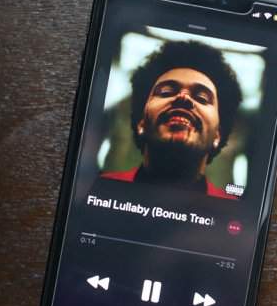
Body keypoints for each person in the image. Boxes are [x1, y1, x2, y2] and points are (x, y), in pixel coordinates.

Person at [101, 40, 242, 198]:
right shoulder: (100, 189)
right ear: (141, 123)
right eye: (166, 92)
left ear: (217, 135)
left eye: (202, 98)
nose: (183, 98)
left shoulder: (233, 209)